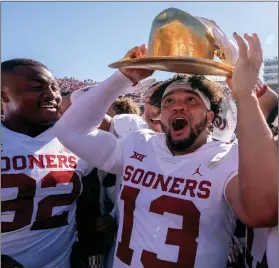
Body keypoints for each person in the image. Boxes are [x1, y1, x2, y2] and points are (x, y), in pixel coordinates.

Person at [55, 33, 277, 268]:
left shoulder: (226, 157)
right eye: (168, 102)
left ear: (210, 116)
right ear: (161, 115)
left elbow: (261, 213)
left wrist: (245, 94)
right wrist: (124, 77)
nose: (178, 105)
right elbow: (71, 131)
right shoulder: (138, 144)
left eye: (191, 100)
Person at [0, 58, 102, 268]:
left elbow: (87, 204)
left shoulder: (75, 139)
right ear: (3, 94)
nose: (51, 95)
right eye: (37, 87)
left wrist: (90, 248)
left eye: (55, 88)